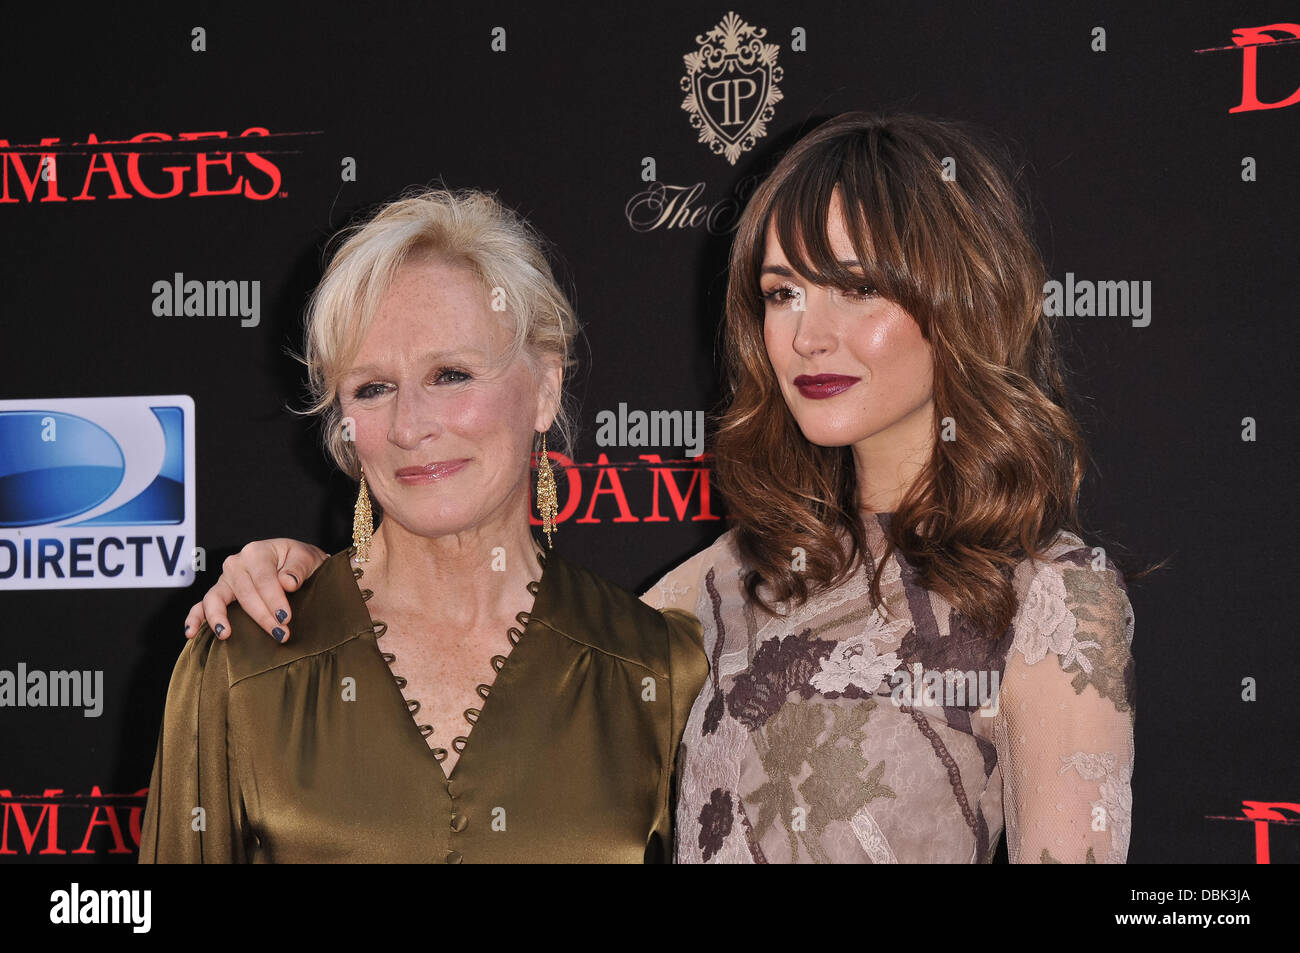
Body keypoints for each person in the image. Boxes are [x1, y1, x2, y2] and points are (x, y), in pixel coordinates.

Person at [183, 112, 1137, 864]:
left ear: (960, 298)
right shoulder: (728, 584)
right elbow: (515, 652)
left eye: (856, 288)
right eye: (781, 292)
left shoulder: (1054, 597)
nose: (809, 333)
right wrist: (318, 585)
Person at [140, 188, 708, 864]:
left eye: (451, 374)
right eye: (373, 388)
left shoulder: (660, 673)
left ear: (546, 388)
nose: (411, 426)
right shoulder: (242, 659)